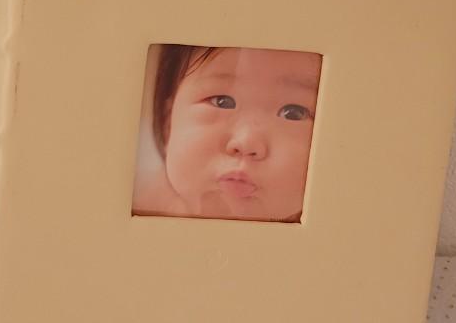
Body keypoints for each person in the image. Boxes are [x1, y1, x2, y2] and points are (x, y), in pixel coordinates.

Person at [132, 46, 322, 222]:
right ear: (168, 122)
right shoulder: (141, 204)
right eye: (221, 101)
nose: (246, 143)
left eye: (293, 113)